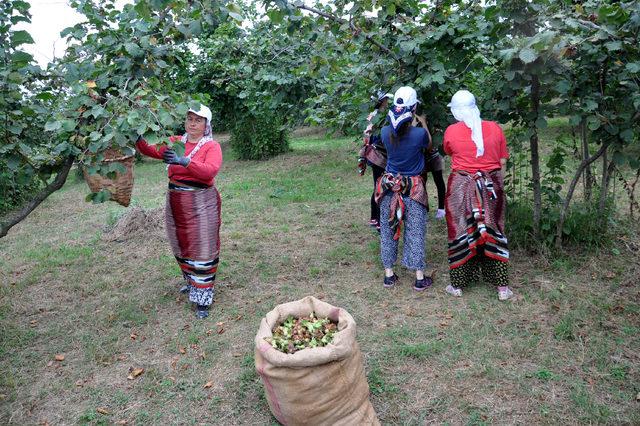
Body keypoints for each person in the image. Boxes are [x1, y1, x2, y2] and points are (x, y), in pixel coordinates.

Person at [135, 104, 223, 318]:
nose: (193, 124)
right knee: (181, 244)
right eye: (190, 119)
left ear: (206, 125)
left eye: (198, 120)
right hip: (176, 201)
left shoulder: (211, 147)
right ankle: (192, 283)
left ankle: (203, 299)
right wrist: (135, 134)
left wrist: (185, 161)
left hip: (201, 202)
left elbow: (209, 171)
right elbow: (150, 149)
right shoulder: (176, 143)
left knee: (202, 246)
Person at [442, 90, 513, 300]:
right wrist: (497, 186)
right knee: (494, 229)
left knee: (460, 231)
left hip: (460, 188)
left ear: (456, 110)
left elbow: (449, 151)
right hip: (491, 185)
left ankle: (457, 285)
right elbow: (502, 162)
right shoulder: (495, 129)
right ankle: (501, 288)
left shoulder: (451, 131)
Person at [375, 86, 432, 291]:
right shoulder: (419, 134)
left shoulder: (384, 132)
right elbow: (429, 145)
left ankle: (389, 275)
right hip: (413, 188)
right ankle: (418, 278)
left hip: (389, 186)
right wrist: (423, 123)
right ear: (414, 108)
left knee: (388, 230)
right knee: (415, 231)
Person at [358, 90, 393, 231]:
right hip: (379, 155)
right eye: (386, 100)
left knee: (379, 185)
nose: (388, 102)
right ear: (381, 101)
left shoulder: (379, 115)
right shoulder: (377, 117)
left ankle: (376, 218)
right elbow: (368, 136)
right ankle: (377, 218)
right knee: (379, 186)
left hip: (379, 154)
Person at [413, 113, 446, 220]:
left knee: (439, 180)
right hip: (420, 154)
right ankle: (424, 208)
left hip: (434, 154)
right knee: (422, 182)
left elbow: (431, 140)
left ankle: (441, 208)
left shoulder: (432, 116)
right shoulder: (412, 117)